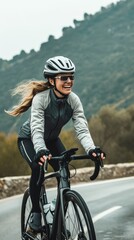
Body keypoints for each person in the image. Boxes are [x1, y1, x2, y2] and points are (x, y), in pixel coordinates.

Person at [6, 56, 105, 232]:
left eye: (71, 77)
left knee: (64, 170)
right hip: (29, 140)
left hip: (51, 140)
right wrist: (41, 150)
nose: (69, 81)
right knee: (38, 168)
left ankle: (57, 223)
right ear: (52, 80)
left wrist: (91, 149)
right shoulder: (41, 99)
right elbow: (36, 129)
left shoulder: (73, 100)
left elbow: (81, 129)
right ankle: (36, 215)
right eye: (63, 78)